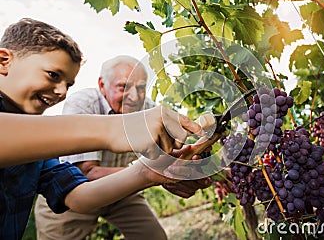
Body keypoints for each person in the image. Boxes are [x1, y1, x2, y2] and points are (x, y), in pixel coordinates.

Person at [0, 18, 203, 240]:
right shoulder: (79, 108)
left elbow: (79, 196)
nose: (62, 91)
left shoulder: (39, 155)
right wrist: (116, 130)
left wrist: (147, 173)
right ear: (3, 61)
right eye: (53, 75)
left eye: (68, 84)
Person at [34, 55, 211, 239]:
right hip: (70, 196)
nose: (134, 96)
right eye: (123, 87)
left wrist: (205, 168)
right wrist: (152, 175)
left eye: (141, 88)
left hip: (124, 193)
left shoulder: (149, 110)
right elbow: (86, 173)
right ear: (102, 85)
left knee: (153, 236)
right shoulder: (83, 105)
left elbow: (167, 154)